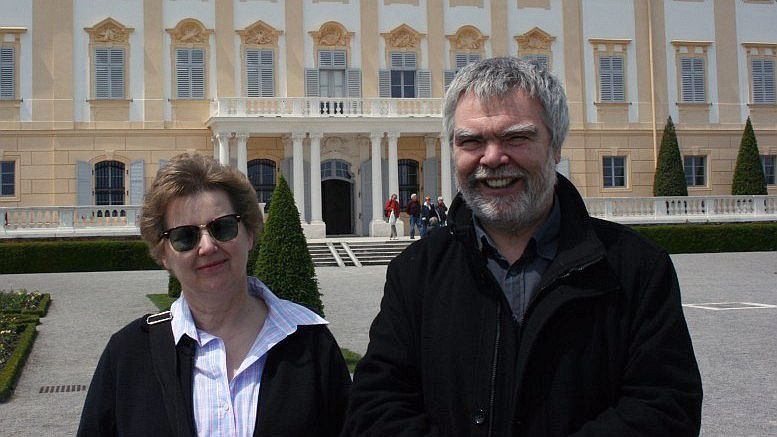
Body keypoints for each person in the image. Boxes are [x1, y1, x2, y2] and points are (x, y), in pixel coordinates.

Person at [343, 57, 702, 436]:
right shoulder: (416, 271)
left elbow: (664, 409)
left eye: (516, 137)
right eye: (471, 141)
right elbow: (375, 409)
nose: (493, 157)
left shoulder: (636, 267)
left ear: (556, 145)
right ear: (453, 149)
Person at [78, 153, 350, 436]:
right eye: (185, 236)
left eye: (223, 227)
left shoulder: (312, 344)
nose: (207, 247)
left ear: (250, 234)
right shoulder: (128, 354)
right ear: (164, 256)